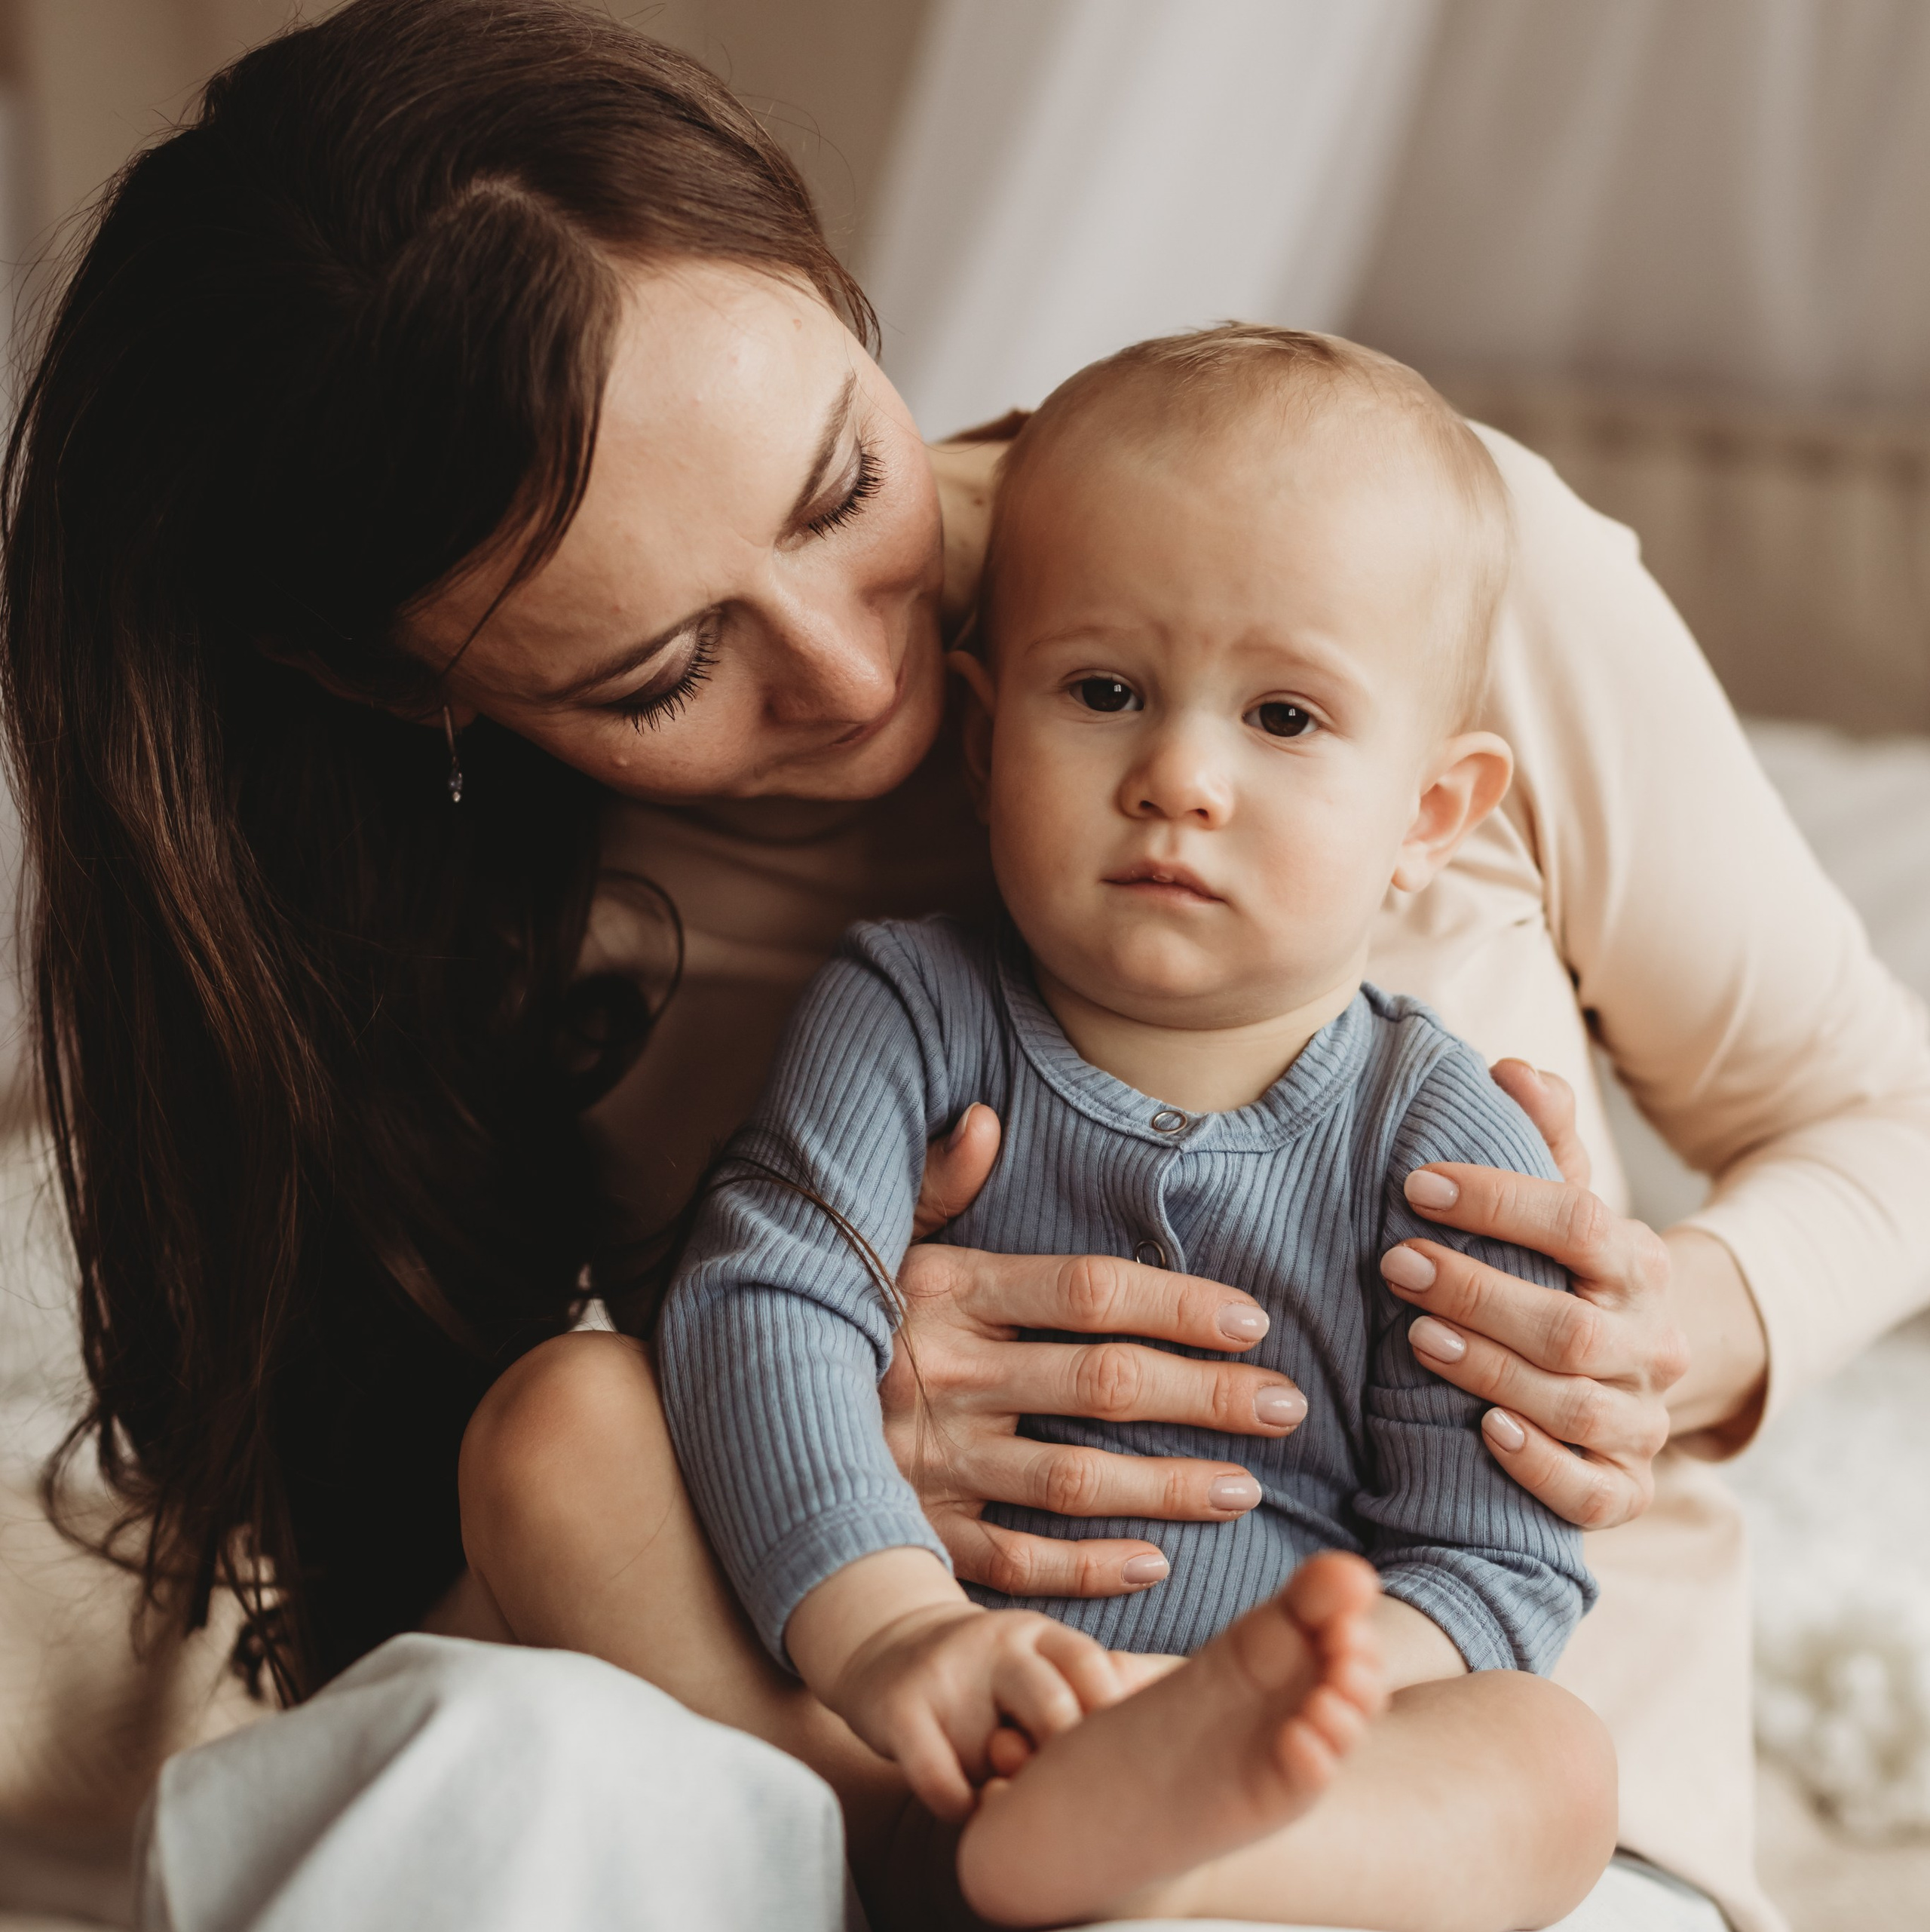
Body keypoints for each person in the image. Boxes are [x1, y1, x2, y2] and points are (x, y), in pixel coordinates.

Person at [0, 2, 1921, 1928]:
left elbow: (1880, 1117)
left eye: (841, 485)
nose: (854, 676)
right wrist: (795, 1425)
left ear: (831, 280)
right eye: (659, 671)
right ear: (407, 690)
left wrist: (1675, 1325)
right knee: (521, 1618)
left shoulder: (1379, 556)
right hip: (839, 1750)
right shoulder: (451, 925)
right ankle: (973, 1855)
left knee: (1533, 1776)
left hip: (1417, 1783)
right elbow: (496, 1549)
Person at [655, 324, 1614, 1927]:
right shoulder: (903, 1010)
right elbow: (767, 1303)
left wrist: (1266, 1699)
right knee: (573, 1420)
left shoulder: (1437, 1138)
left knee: (1549, 1759)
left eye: (1285, 721)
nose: (1177, 776)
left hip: (1254, 1743)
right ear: (983, 738)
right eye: (1103, 691)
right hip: (904, 1703)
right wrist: (898, 1634)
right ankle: (923, 1835)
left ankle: (1153, 1856)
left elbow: (1492, 1558)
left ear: (1427, 818)